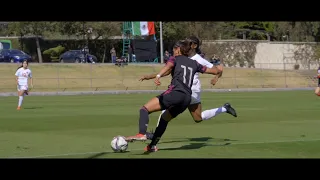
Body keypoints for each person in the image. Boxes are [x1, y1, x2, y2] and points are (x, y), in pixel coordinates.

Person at [125, 39, 223, 152]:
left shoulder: (174, 59)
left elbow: (168, 67)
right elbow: (216, 71)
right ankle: (152, 146)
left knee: (144, 109)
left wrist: (158, 76)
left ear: (178, 50)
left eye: (173, 49)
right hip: (186, 99)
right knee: (164, 118)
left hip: (175, 93)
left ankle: (141, 133)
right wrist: (218, 72)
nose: (173, 52)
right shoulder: (195, 63)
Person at [140, 36, 237, 132]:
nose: (184, 45)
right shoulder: (181, 57)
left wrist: (216, 78)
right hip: (184, 90)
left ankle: (153, 137)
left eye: (187, 43)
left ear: (194, 46)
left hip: (191, 90)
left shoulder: (198, 59)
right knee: (198, 118)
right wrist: (153, 76)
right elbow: (168, 70)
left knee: (165, 110)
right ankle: (225, 108)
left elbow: (219, 69)